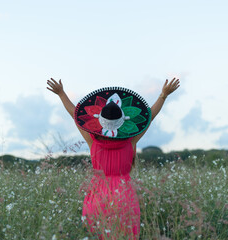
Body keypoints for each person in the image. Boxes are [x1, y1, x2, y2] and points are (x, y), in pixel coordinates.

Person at [47, 78, 180, 239]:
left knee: (96, 233)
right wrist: (163, 95)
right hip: (124, 194)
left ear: (100, 120)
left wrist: (61, 94)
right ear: (123, 121)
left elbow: (75, 115)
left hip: (97, 194)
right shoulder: (131, 141)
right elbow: (149, 117)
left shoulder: (92, 141)